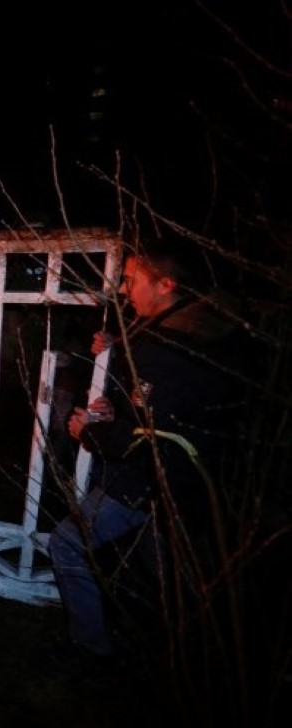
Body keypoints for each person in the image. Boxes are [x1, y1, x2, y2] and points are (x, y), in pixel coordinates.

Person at [47, 241, 243, 659]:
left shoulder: (172, 348)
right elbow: (162, 407)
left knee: (67, 543)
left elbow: (140, 435)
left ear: (166, 284)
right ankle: (191, 653)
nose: (122, 289)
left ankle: (89, 648)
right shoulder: (200, 332)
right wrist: (116, 402)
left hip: (148, 482)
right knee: (170, 577)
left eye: (132, 280)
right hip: (182, 482)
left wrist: (90, 431)